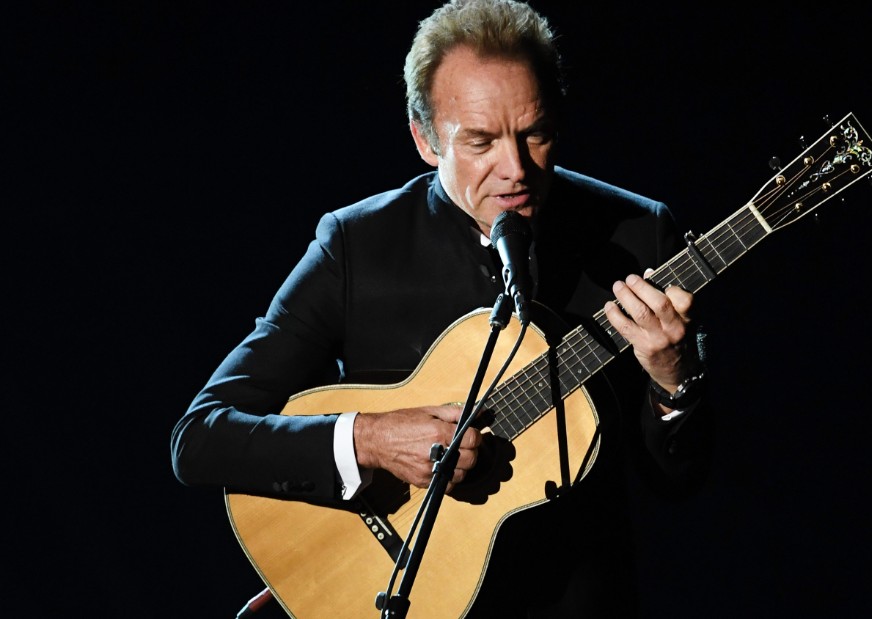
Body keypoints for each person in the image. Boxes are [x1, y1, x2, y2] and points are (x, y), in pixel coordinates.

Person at [171, 0, 713, 617]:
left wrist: (674, 383)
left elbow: (678, 484)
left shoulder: (637, 235)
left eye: (535, 134)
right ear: (425, 138)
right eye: (480, 141)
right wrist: (369, 440)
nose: (515, 169)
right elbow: (200, 438)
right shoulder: (356, 245)